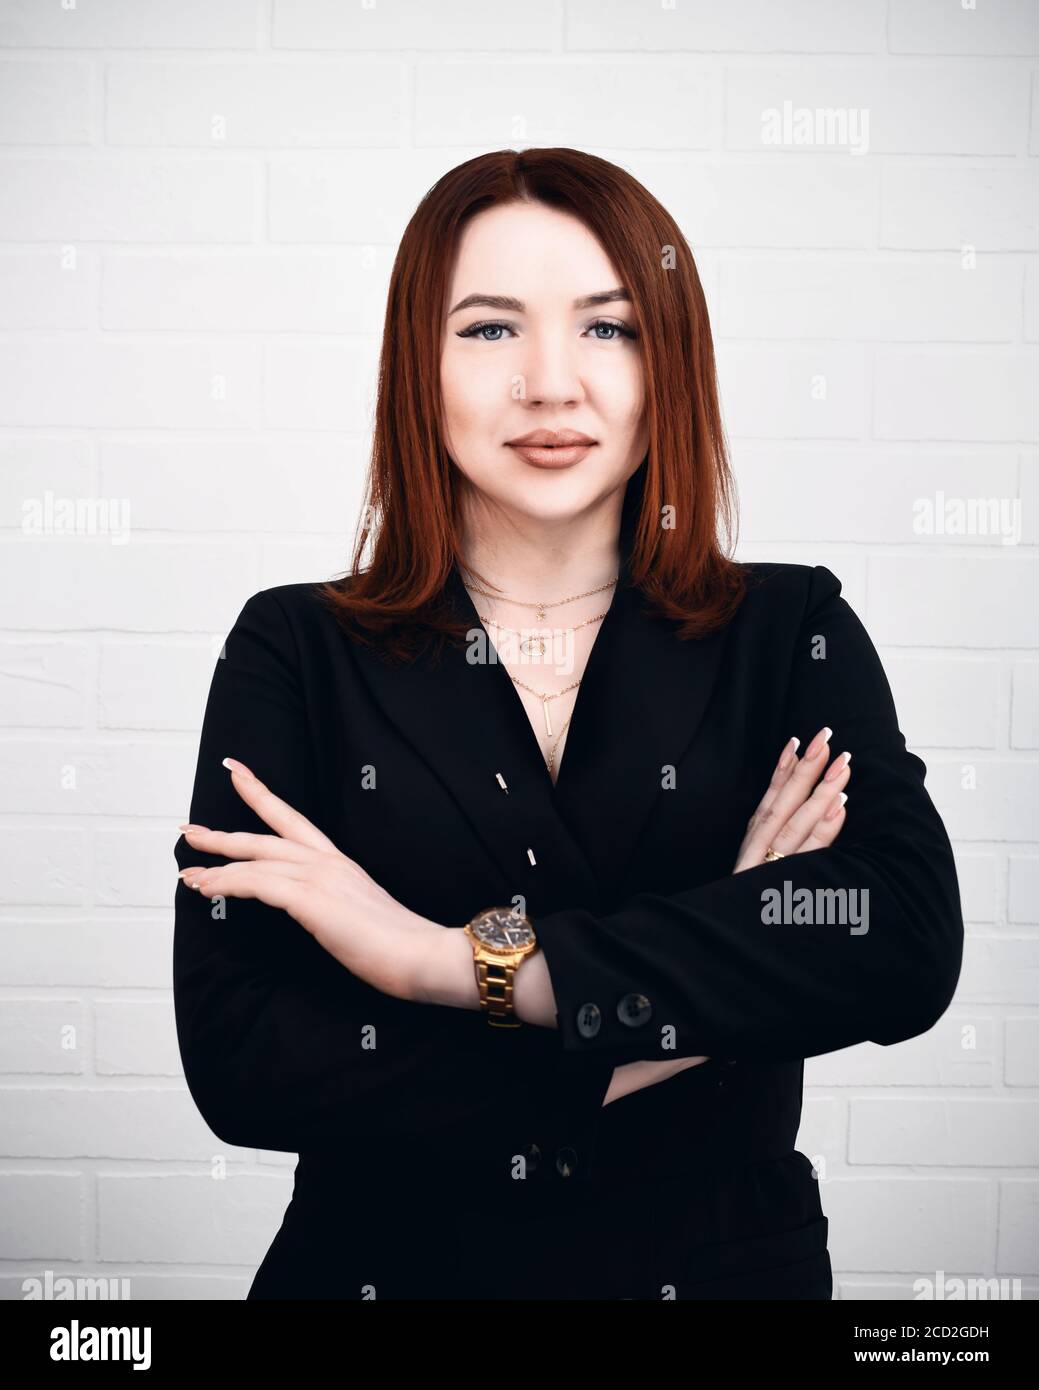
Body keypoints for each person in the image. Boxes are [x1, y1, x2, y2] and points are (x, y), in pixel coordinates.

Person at [172, 148, 964, 1300]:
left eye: (608, 328)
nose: (550, 384)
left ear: (669, 362)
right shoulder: (295, 649)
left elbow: (897, 944)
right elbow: (248, 1066)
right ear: (416, 364)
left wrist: (437, 962)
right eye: (489, 330)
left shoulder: (788, 627)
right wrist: (708, 993)